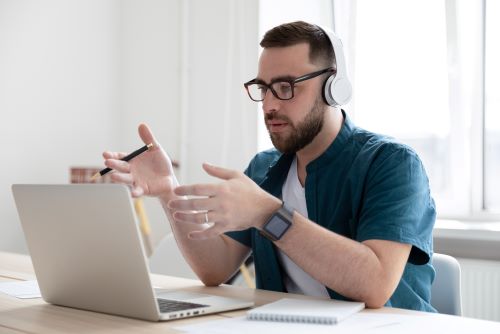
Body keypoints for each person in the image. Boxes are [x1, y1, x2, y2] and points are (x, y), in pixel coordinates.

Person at [102, 21, 436, 312]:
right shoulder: (264, 167)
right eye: (264, 88)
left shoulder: (392, 163)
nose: (270, 105)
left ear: (333, 87)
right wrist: (168, 191)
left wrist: (268, 215)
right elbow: (214, 269)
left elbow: (375, 285)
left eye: (287, 87)